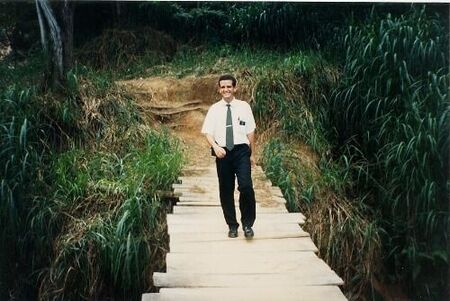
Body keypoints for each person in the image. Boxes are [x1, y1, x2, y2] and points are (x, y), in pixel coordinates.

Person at [201, 74, 257, 238]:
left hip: (241, 151)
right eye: (223, 87)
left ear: (235, 88)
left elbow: (251, 131)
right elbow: (207, 133)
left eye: (229, 86)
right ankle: (232, 225)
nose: (226, 89)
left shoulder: (244, 107)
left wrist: (252, 154)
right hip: (223, 153)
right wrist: (216, 147)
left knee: (246, 186)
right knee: (226, 190)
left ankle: (248, 224)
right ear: (219, 89)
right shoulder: (214, 109)